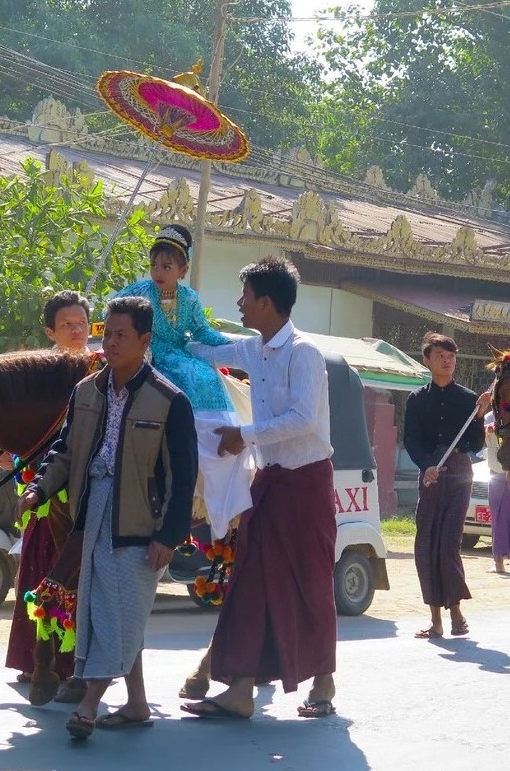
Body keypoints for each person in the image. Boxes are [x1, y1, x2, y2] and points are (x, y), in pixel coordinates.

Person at [19, 296, 197, 739]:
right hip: (88, 513)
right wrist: (38, 488)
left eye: (121, 335)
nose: (110, 342)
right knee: (106, 611)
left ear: (144, 340)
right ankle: (136, 704)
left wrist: (169, 536)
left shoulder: (169, 401)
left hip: (139, 524)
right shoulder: (85, 392)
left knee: (117, 611)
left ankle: (89, 704)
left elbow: (183, 475)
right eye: (107, 333)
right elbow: (64, 451)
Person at [179, 256, 338, 720]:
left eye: (244, 296)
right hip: (267, 481)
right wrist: (168, 334)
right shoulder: (254, 348)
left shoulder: (303, 352)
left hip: (306, 483)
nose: (239, 303)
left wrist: (242, 435)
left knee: (310, 582)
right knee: (248, 578)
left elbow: (303, 420)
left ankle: (323, 682)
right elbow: (209, 353)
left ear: (266, 303)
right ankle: (241, 688)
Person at [116, 224, 252, 539]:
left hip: (180, 355)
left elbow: (202, 333)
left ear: (183, 269)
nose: (158, 272)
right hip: (151, 356)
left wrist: (230, 347)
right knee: (185, 373)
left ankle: (214, 446)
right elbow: (114, 311)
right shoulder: (139, 292)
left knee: (204, 374)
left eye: (166, 266)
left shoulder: (189, 298)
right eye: (154, 265)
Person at [5, 290, 94, 703]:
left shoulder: (103, 369)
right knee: (39, 565)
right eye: (66, 325)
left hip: (83, 492)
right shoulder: (39, 374)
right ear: (50, 331)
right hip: (42, 482)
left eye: (81, 324)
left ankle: (72, 665)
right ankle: (33, 660)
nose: (76, 331)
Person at [405, 332, 491, 638]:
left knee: (448, 543)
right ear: (427, 360)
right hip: (430, 471)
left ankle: (456, 611)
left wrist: (480, 415)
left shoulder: (469, 399)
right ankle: (435, 619)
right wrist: (425, 466)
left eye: (451, 356)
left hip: (458, 472)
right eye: (441, 355)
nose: (447, 361)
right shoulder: (417, 400)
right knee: (426, 542)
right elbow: (411, 440)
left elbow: (475, 443)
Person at [484, 411, 510, 574]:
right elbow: (482, 437)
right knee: (498, 518)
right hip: (497, 475)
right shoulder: (489, 417)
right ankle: (498, 562)